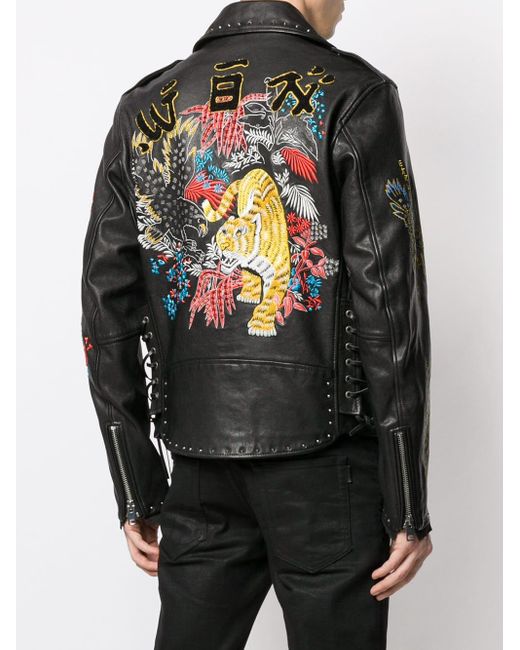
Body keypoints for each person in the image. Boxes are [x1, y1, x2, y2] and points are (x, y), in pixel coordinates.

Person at [80, 1, 433, 647]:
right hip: (327, 464)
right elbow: (390, 304)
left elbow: (106, 309)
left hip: (197, 464)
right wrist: (408, 499)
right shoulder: (355, 92)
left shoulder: (146, 104)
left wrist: (137, 485)